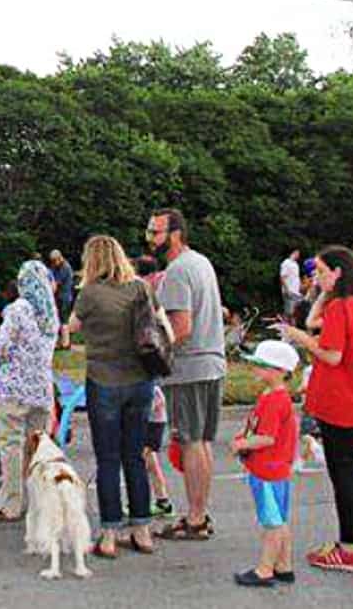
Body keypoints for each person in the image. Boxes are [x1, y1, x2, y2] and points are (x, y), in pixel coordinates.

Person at [278, 246, 353, 573]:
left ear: (338, 272)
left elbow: (331, 354)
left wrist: (299, 338)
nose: (315, 277)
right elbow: (312, 319)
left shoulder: (342, 307)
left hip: (340, 400)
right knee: (348, 474)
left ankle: (350, 548)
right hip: (351, 397)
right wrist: (321, 291)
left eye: (321, 271)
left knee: (343, 474)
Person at [67, 234, 156, 558]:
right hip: (140, 380)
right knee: (134, 455)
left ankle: (108, 533)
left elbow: (72, 326)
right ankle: (142, 529)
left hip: (103, 379)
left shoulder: (89, 294)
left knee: (107, 459)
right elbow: (158, 326)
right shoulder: (140, 289)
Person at [147, 208, 225, 542]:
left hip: (190, 367)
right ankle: (199, 513)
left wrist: (149, 349)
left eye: (156, 232)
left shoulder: (177, 272)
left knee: (191, 442)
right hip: (212, 362)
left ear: (175, 234)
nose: (150, 238)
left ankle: (194, 518)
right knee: (202, 442)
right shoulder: (201, 262)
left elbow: (180, 328)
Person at [0, 260, 59, 521]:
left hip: (14, 388)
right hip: (41, 388)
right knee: (37, 447)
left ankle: (11, 503)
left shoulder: (17, 309)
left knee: (11, 447)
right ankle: (40, 501)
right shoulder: (51, 312)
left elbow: (0, 349)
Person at [230, 340, 300, 588]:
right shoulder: (274, 397)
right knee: (279, 518)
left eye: (262, 365)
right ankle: (284, 564)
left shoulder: (274, 401)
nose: (256, 369)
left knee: (272, 523)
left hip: (267, 469)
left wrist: (243, 444)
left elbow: (266, 437)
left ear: (280, 371)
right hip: (276, 468)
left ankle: (265, 569)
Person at [145, 384, 173, 518]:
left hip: (152, 424)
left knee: (142, 462)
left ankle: (139, 502)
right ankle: (163, 500)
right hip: (153, 422)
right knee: (151, 463)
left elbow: (158, 401)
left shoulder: (151, 383)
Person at [49, 250, 76, 348]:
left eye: (55, 261)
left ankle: (65, 343)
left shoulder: (65, 268)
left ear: (60, 258)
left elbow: (56, 283)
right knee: (59, 319)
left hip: (64, 297)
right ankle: (61, 342)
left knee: (64, 320)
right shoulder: (57, 267)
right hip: (59, 297)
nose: (53, 263)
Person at [280, 248, 302, 317]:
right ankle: (285, 325)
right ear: (293, 252)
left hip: (296, 291)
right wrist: (287, 290)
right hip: (290, 290)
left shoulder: (295, 264)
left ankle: (292, 326)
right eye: (297, 253)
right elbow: (282, 277)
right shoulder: (286, 263)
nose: (298, 255)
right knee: (290, 312)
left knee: (295, 312)